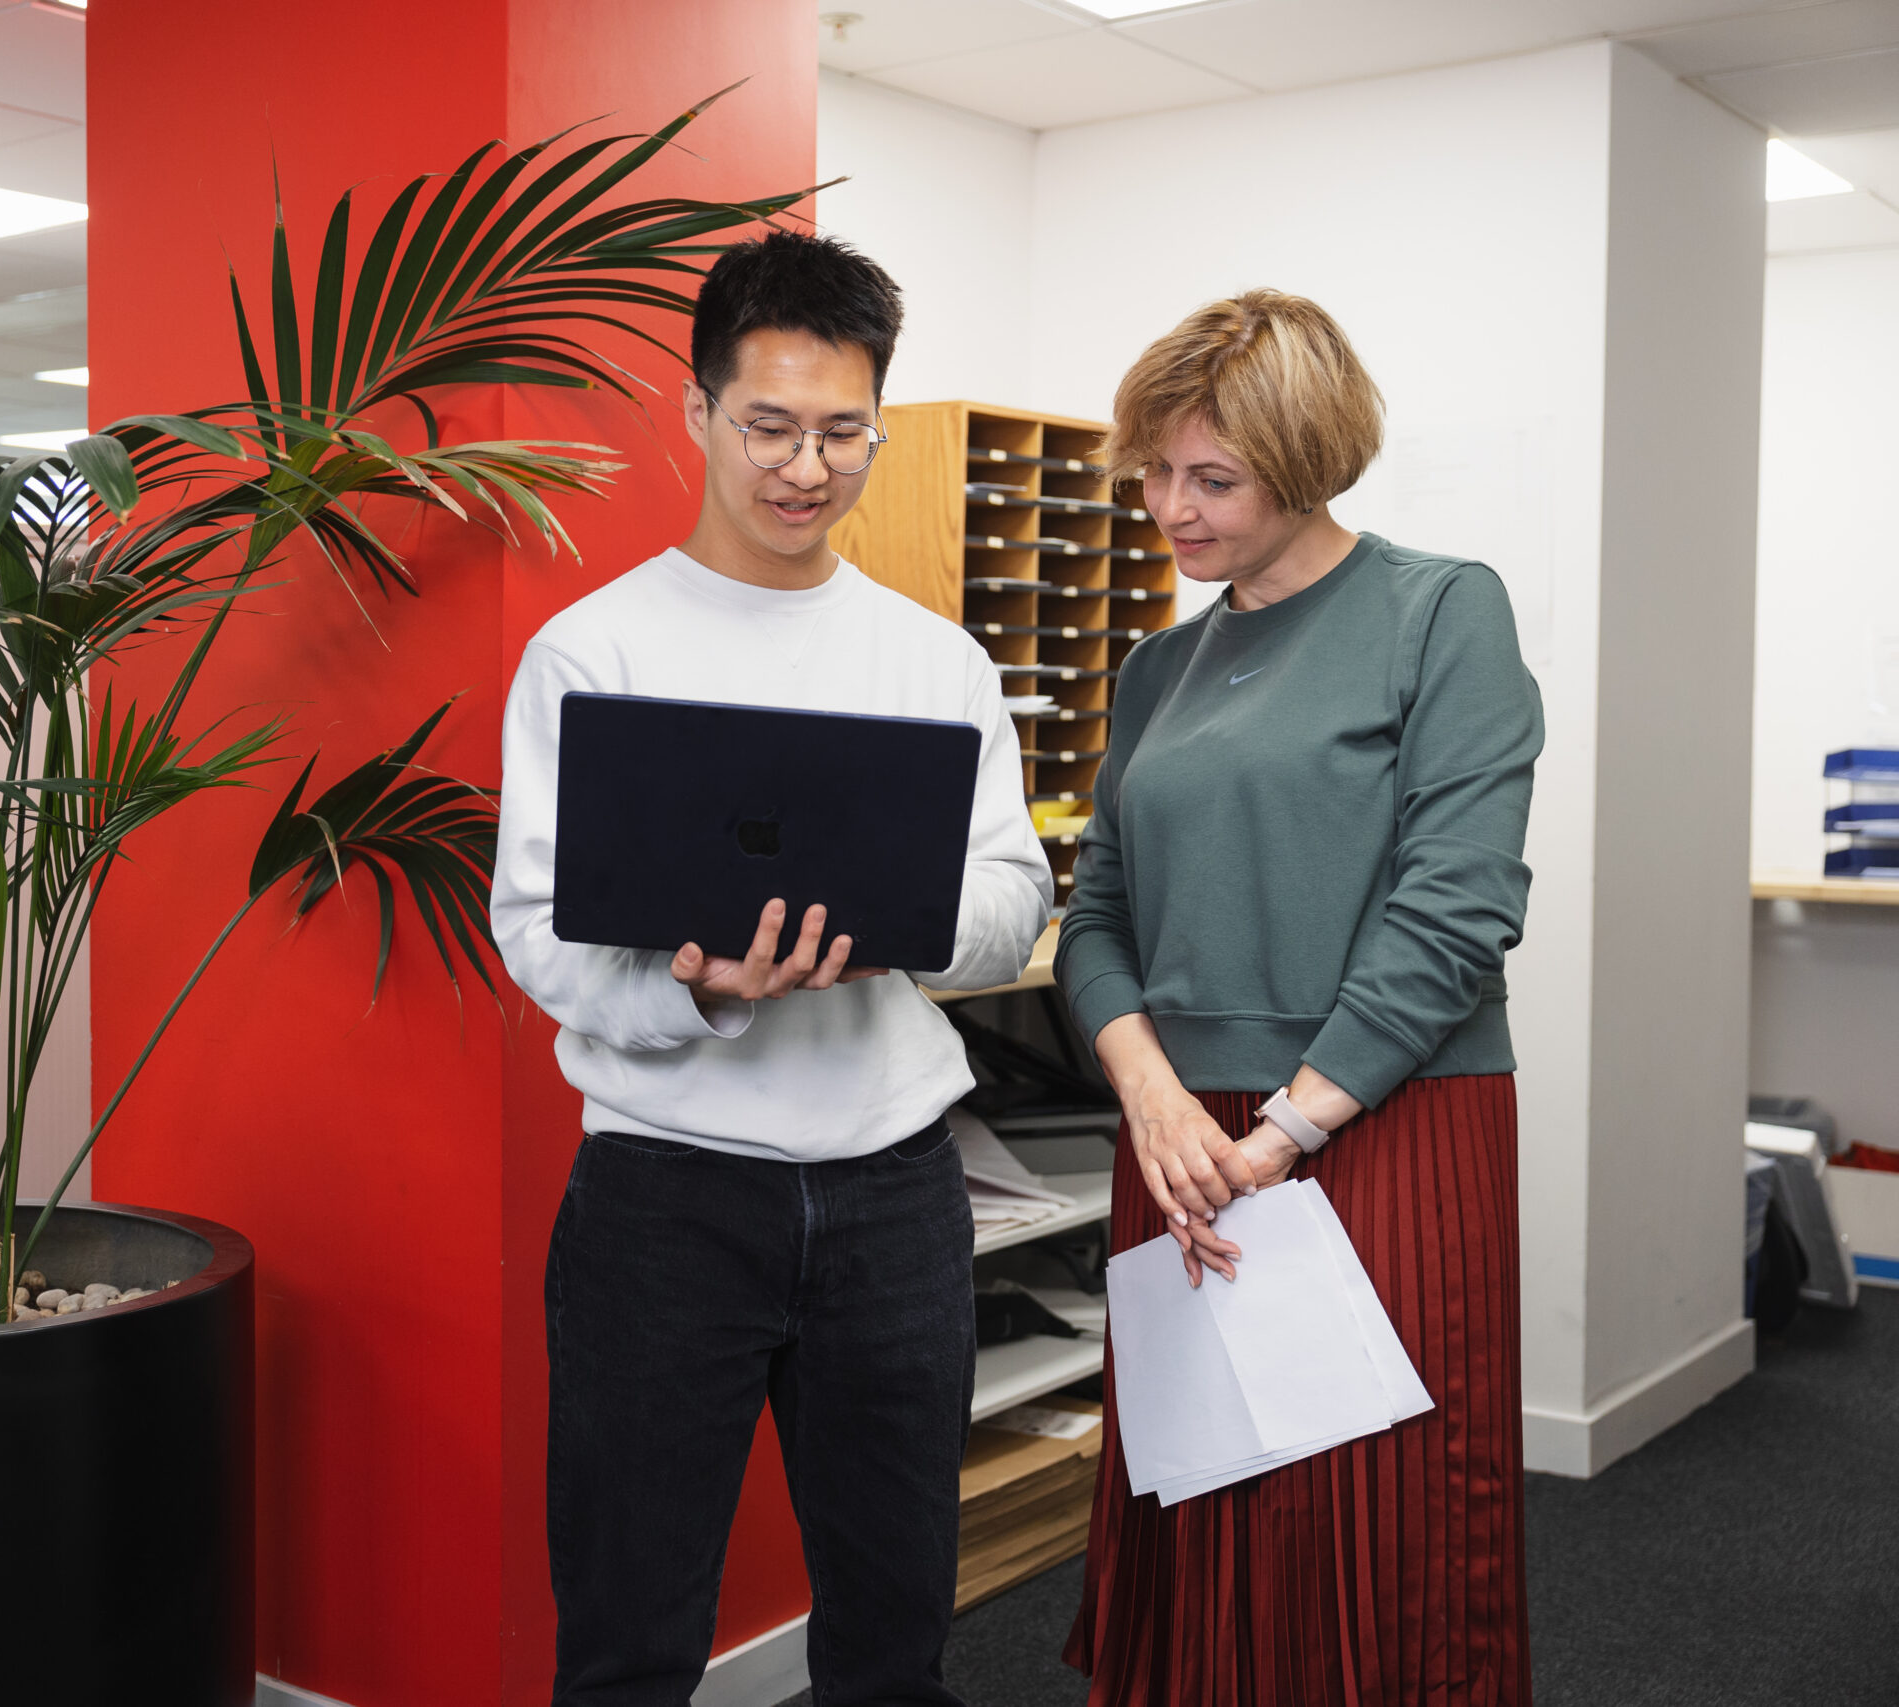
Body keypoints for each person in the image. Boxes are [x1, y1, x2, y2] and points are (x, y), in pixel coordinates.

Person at [490, 230, 1054, 1706]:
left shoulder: (935, 659)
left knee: (893, 1627)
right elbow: (536, 932)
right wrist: (701, 989)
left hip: (893, 1195)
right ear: (696, 412)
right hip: (662, 1200)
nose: (808, 467)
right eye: (770, 426)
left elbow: (1015, 898)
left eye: (844, 431)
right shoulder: (589, 653)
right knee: (628, 1632)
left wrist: (896, 919)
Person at [1055, 289, 1543, 1705]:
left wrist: (1282, 1137)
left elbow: (1458, 909)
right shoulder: (1157, 669)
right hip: (1185, 1142)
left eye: (1212, 478)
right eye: (1152, 470)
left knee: (1373, 1525)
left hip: (1375, 1122)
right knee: (1201, 1511)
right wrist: (1154, 1099)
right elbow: (1099, 917)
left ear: (1309, 458)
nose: (1169, 508)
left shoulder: (1439, 609)